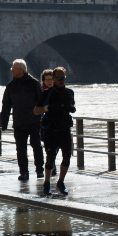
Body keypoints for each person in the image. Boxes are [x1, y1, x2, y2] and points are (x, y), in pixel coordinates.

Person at [0, 59, 45, 181]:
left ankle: (40, 170)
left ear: (21, 70)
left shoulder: (34, 83)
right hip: (19, 122)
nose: (12, 71)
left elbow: (41, 101)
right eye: (12, 69)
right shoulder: (10, 86)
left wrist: (42, 119)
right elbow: (6, 105)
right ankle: (24, 172)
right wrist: (4, 123)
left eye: (14, 69)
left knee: (36, 146)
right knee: (20, 149)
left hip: (34, 121)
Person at [39, 66, 75, 195]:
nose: (61, 80)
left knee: (66, 157)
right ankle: (47, 182)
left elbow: (73, 105)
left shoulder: (70, 92)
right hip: (50, 130)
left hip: (65, 129)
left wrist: (71, 107)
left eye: (63, 78)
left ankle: (61, 182)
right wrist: (48, 108)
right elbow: (36, 110)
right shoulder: (46, 93)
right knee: (50, 158)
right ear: (53, 79)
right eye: (58, 78)